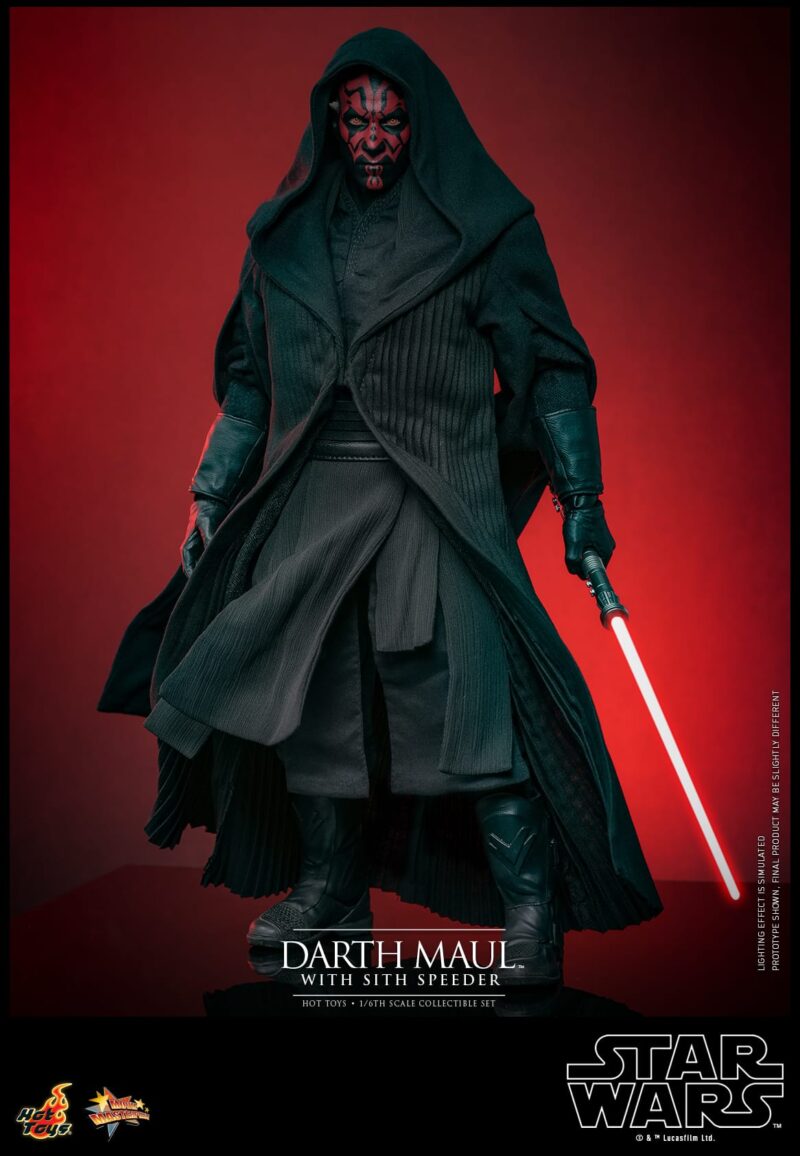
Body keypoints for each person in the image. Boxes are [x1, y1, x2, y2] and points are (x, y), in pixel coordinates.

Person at [98, 27, 663, 987]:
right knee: (313, 705)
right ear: (330, 119)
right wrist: (210, 492)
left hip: (434, 495)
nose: (370, 138)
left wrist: (582, 500)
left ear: (418, 124)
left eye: (390, 122)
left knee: (472, 705)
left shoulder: (483, 229)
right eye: (354, 119)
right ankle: (332, 889)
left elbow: (552, 370)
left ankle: (529, 908)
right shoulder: (284, 239)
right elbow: (249, 384)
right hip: (313, 497)